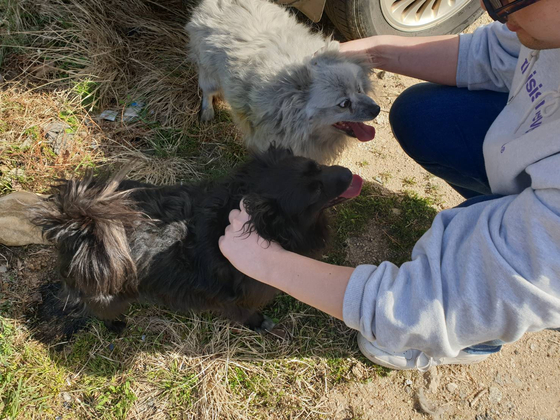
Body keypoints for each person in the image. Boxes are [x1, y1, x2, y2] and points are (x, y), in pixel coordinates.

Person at [218, 0, 560, 371]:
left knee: (471, 291)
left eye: (508, 1)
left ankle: (477, 337)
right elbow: (494, 52)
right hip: (537, 145)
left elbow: (426, 302)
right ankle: (506, 208)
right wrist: (373, 51)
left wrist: (265, 262)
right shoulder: (541, 26)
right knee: (421, 115)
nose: (490, 9)